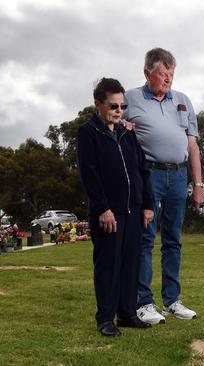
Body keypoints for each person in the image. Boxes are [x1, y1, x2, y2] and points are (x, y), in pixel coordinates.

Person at [123, 48, 204, 325]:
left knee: (173, 241)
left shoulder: (183, 100)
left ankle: (172, 301)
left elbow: (192, 146)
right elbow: (113, 127)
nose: (168, 78)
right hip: (148, 176)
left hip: (179, 176)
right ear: (147, 73)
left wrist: (198, 184)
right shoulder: (130, 98)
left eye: (171, 73)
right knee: (145, 239)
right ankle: (144, 303)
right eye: (163, 73)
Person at [77, 77, 155, 337]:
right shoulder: (88, 132)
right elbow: (89, 174)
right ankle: (105, 319)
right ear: (98, 104)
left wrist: (148, 205)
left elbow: (142, 169)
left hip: (134, 210)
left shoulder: (127, 132)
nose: (119, 112)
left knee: (130, 263)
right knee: (108, 266)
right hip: (108, 213)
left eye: (122, 107)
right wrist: (102, 208)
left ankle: (127, 313)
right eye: (113, 106)